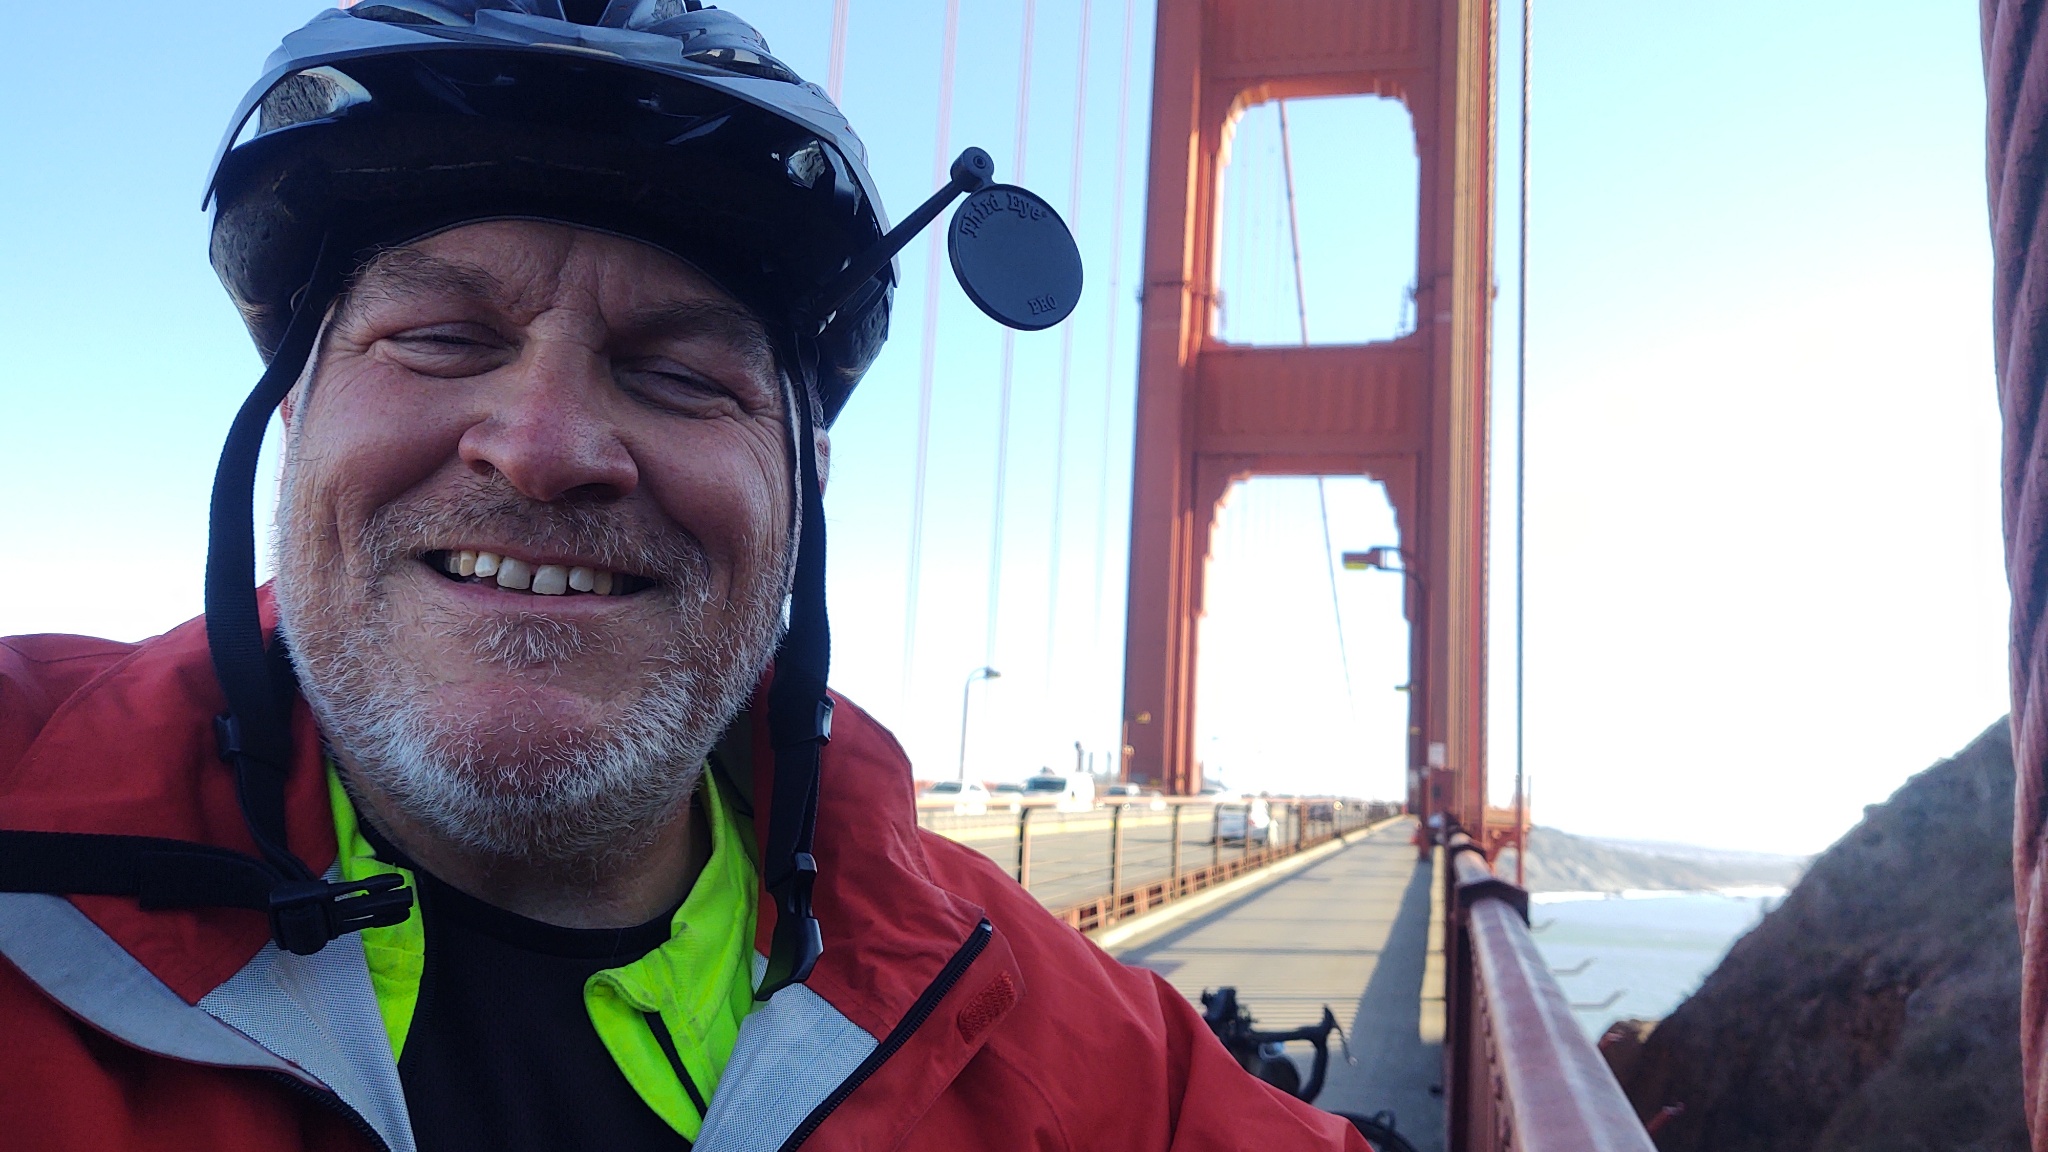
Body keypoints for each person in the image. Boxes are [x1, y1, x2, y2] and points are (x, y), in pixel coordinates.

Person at [0, 4, 1369, 1150]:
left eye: (678, 372)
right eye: (440, 337)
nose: (544, 447)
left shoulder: (1026, 1022)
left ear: (804, 485)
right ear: (297, 415)